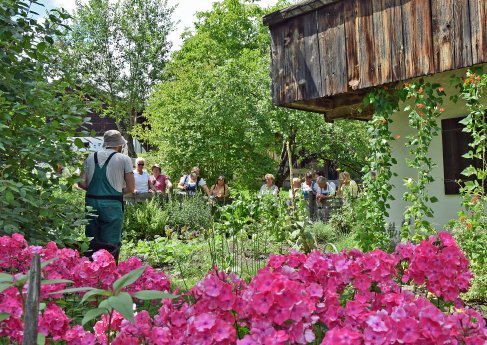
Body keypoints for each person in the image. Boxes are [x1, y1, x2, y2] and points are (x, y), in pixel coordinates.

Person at [78, 130, 135, 262]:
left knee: (92, 241)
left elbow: (81, 183)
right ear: (119, 144)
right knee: (111, 243)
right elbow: (131, 188)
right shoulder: (123, 159)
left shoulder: (90, 157)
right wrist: (115, 193)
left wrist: (95, 191)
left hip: (91, 203)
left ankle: (90, 273)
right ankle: (109, 274)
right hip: (112, 205)